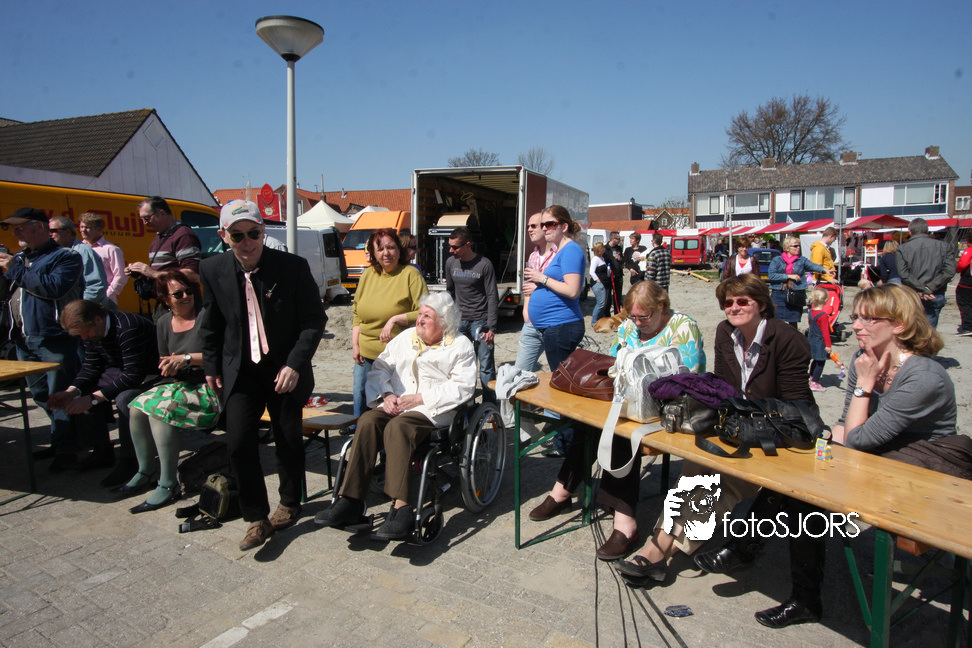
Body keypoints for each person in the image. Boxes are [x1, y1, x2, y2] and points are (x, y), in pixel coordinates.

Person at [618, 274, 822, 629]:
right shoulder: (726, 333)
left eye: (743, 301)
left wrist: (744, 414)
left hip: (780, 436)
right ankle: (661, 550)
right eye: (728, 303)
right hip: (738, 427)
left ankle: (657, 550)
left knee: (721, 486)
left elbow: (795, 404)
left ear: (761, 303)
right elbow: (724, 388)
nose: (734, 308)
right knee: (696, 472)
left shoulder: (788, 339)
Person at [531, 280, 706, 563]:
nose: (637, 323)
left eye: (643, 317)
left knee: (621, 432)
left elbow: (688, 376)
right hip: (630, 401)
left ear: (662, 307)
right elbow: (611, 366)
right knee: (586, 422)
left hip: (670, 409)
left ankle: (625, 522)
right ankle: (563, 488)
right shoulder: (628, 328)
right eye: (633, 317)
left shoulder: (683, 327)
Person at [199, 200, 326, 551]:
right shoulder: (211, 269)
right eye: (237, 235)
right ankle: (256, 517)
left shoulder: (292, 267)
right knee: (239, 443)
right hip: (241, 372)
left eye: (253, 233)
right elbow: (211, 323)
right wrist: (211, 366)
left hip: (284, 370)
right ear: (224, 236)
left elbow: (314, 321)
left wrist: (295, 365)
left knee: (288, 441)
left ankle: (289, 503)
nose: (247, 242)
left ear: (263, 231)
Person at [314, 293, 476, 539]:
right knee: (368, 421)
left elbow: (463, 387)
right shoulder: (405, 338)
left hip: (434, 409)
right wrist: (386, 394)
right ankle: (351, 500)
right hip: (398, 403)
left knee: (398, 427)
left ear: (444, 322)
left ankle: (401, 507)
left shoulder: (460, 345)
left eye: (427, 316)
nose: (419, 319)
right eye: (420, 314)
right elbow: (380, 368)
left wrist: (420, 398)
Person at [120, 270, 220, 514]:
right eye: (178, 294)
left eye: (188, 291)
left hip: (209, 385)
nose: (186, 296)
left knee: (160, 411)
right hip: (181, 383)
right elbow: (165, 358)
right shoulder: (164, 322)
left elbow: (221, 356)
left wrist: (186, 359)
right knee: (136, 406)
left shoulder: (207, 316)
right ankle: (145, 470)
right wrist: (170, 366)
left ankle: (168, 483)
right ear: (165, 299)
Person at [0, 207, 84, 471]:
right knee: (39, 394)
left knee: (60, 394)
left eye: (20, 228)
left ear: (39, 227)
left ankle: (68, 450)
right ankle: (61, 440)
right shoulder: (20, 258)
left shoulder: (65, 256)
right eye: (13, 229)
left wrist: (14, 269)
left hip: (53, 337)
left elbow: (52, 288)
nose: (16, 233)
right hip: (24, 338)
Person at [832, 284, 956, 453]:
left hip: (921, 459)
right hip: (876, 451)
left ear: (899, 324)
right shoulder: (864, 359)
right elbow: (846, 422)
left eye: (868, 318)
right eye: (856, 317)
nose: (855, 326)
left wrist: (864, 382)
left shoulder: (924, 377)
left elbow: (857, 441)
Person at [49, 299, 160, 486]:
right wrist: (71, 392)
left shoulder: (128, 328)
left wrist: (93, 399)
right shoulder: (93, 333)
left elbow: (133, 375)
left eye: (85, 332)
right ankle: (101, 451)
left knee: (125, 399)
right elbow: (91, 366)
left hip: (151, 372)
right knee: (82, 393)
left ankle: (131, 459)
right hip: (121, 370)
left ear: (98, 319)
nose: (84, 338)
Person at [520, 205, 585, 457]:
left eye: (550, 224)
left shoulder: (570, 250)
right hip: (553, 327)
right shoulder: (562, 250)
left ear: (563, 226)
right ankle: (564, 442)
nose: (544, 229)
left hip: (562, 326)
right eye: (543, 224)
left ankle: (566, 444)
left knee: (561, 387)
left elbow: (572, 290)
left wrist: (541, 279)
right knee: (560, 384)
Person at [351, 228, 428, 418]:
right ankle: (359, 432)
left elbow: (425, 311)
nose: (386, 253)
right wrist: (355, 345)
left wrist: (395, 319)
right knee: (361, 397)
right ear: (373, 253)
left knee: (391, 404)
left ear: (399, 250)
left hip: (396, 354)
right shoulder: (368, 275)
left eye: (391, 247)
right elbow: (357, 312)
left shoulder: (410, 274)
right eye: (380, 249)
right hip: (366, 354)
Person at [446, 226, 498, 402]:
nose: (451, 250)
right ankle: (467, 404)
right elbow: (450, 292)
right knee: (463, 365)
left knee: (486, 367)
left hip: (480, 321)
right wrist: (449, 319)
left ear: (467, 245)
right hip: (460, 321)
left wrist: (491, 327)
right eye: (450, 246)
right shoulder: (451, 263)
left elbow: (492, 296)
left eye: (455, 247)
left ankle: (490, 406)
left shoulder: (484, 264)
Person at [125, 196, 202, 312]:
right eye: (142, 219)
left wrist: (154, 273)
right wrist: (140, 271)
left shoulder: (183, 235)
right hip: (165, 303)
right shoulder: (159, 238)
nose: (144, 223)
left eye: (147, 218)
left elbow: (193, 274)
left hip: (182, 304)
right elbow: (164, 268)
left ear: (162, 213)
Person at [514, 213, 557, 373]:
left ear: (545, 227)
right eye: (528, 226)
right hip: (532, 324)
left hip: (554, 324)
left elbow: (570, 290)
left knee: (559, 375)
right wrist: (526, 312)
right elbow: (528, 287)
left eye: (534, 226)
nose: (529, 229)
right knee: (519, 374)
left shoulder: (559, 254)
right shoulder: (533, 255)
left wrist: (539, 287)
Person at [896, 217, 956, 329]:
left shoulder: (903, 248)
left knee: (912, 329)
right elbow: (949, 271)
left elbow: (904, 274)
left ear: (910, 231)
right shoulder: (943, 246)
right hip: (933, 291)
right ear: (927, 230)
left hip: (915, 292)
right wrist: (928, 288)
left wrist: (925, 288)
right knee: (929, 329)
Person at [767, 235, 832, 326]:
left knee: (793, 322)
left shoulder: (802, 260)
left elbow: (813, 266)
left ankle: (793, 335)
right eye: (795, 246)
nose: (798, 248)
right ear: (787, 248)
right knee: (776, 322)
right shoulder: (777, 260)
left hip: (796, 294)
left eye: (799, 246)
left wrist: (824, 270)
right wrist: (789, 276)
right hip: (779, 293)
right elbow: (772, 276)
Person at [49, 216, 110, 306]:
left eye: (52, 231)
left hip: (82, 311)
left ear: (67, 231)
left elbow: (96, 285)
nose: (49, 234)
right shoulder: (53, 253)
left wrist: (79, 307)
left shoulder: (83, 252)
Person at [79, 212, 128, 304]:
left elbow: (120, 276)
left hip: (104, 301)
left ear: (99, 229)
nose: (83, 230)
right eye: (81, 227)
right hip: (82, 300)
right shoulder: (78, 249)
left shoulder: (111, 249)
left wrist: (107, 295)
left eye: (88, 227)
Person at [807, 288, 832, 392]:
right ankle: (815, 382)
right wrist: (828, 345)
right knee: (820, 361)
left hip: (811, 338)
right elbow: (825, 331)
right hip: (820, 340)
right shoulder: (823, 315)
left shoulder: (810, 312)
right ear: (825, 300)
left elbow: (810, 324)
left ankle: (811, 376)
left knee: (814, 359)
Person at [589, 242, 610, 325]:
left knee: (604, 304)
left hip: (605, 283)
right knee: (601, 303)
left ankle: (600, 320)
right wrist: (598, 280)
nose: (604, 249)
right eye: (603, 247)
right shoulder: (595, 259)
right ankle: (594, 321)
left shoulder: (602, 258)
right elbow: (591, 272)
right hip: (598, 284)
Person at [956, 233, 972, 336]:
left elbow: (962, 264)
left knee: (965, 303)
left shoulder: (969, 250)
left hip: (968, 282)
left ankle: (968, 327)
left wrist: (957, 269)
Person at [606, 231, 625, 314]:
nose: (620, 240)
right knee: (607, 297)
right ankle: (607, 315)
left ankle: (617, 313)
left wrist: (620, 258)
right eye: (618, 239)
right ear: (613, 239)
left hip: (618, 275)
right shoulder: (605, 248)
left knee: (618, 296)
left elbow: (623, 260)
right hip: (609, 276)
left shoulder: (619, 248)